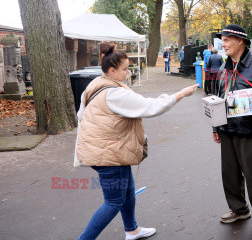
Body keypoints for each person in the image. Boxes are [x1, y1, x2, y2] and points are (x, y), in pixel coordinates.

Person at [75, 43, 198, 240]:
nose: (128, 72)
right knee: (113, 202)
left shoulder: (96, 83)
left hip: (108, 149)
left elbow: (81, 115)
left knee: (128, 190)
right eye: (124, 69)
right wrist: (180, 94)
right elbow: (149, 107)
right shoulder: (114, 92)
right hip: (107, 154)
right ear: (112, 70)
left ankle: (132, 230)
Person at [212, 24, 252, 236]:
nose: (223, 44)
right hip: (227, 131)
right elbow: (217, 100)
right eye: (222, 40)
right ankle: (239, 209)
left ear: (240, 41)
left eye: (226, 40)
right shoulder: (224, 68)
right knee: (229, 174)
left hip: (250, 132)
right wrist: (216, 125)